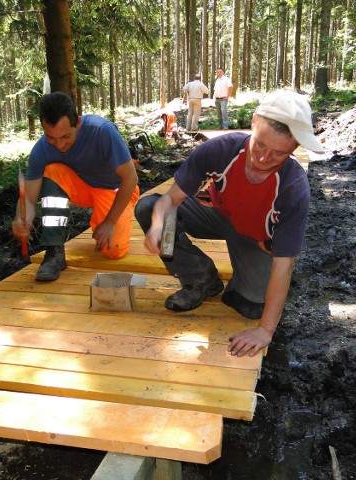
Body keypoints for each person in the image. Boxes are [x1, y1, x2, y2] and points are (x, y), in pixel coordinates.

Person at [134, 90, 324, 358]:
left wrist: (265, 331)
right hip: (216, 215)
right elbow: (170, 200)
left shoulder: (293, 187)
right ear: (254, 123)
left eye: (279, 154)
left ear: (294, 148)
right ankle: (200, 279)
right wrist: (157, 225)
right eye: (260, 145)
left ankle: (238, 285)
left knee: (252, 306)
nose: (264, 159)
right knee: (149, 207)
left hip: (254, 235)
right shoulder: (221, 150)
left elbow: (285, 262)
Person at [13, 91, 139, 282]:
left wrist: (110, 222)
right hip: (81, 189)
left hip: (113, 189)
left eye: (65, 136)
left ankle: (107, 218)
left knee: (113, 250)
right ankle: (54, 252)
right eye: (51, 138)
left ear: (78, 123)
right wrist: (22, 218)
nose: (59, 145)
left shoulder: (102, 131)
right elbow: (29, 198)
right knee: (52, 171)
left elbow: (130, 178)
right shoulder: (42, 149)